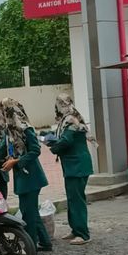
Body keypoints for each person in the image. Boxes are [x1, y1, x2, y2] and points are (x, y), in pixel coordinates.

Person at [0, 97, 52, 254]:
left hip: (32, 176)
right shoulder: (9, 130)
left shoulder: (25, 128)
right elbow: (2, 149)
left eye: (3, 110)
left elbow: (35, 150)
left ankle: (31, 247)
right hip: (22, 177)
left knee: (28, 213)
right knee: (30, 210)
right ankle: (45, 242)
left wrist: (16, 162)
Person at [43, 93, 93, 244]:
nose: (58, 107)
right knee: (72, 198)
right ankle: (75, 229)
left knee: (77, 200)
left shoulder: (71, 119)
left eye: (59, 104)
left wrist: (51, 146)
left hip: (77, 166)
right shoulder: (67, 119)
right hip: (72, 165)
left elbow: (66, 141)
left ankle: (83, 234)